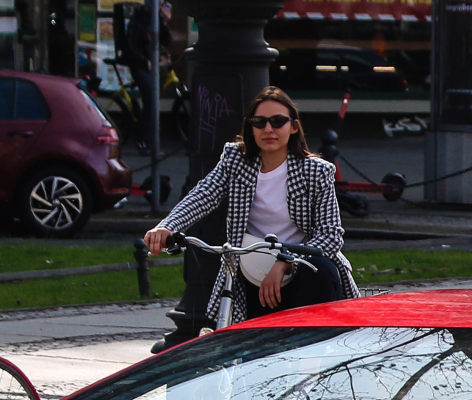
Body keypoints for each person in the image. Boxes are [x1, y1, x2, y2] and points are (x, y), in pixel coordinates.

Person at [143, 86, 356, 325]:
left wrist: (285, 260)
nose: (268, 129)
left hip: (304, 272)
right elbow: (205, 194)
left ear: (294, 127)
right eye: (259, 122)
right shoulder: (236, 160)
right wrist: (168, 226)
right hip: (249, 267)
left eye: (278, 121)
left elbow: (330, 236)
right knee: (247, 343)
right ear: (250, 128)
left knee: (319, 272)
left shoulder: (317, 171)